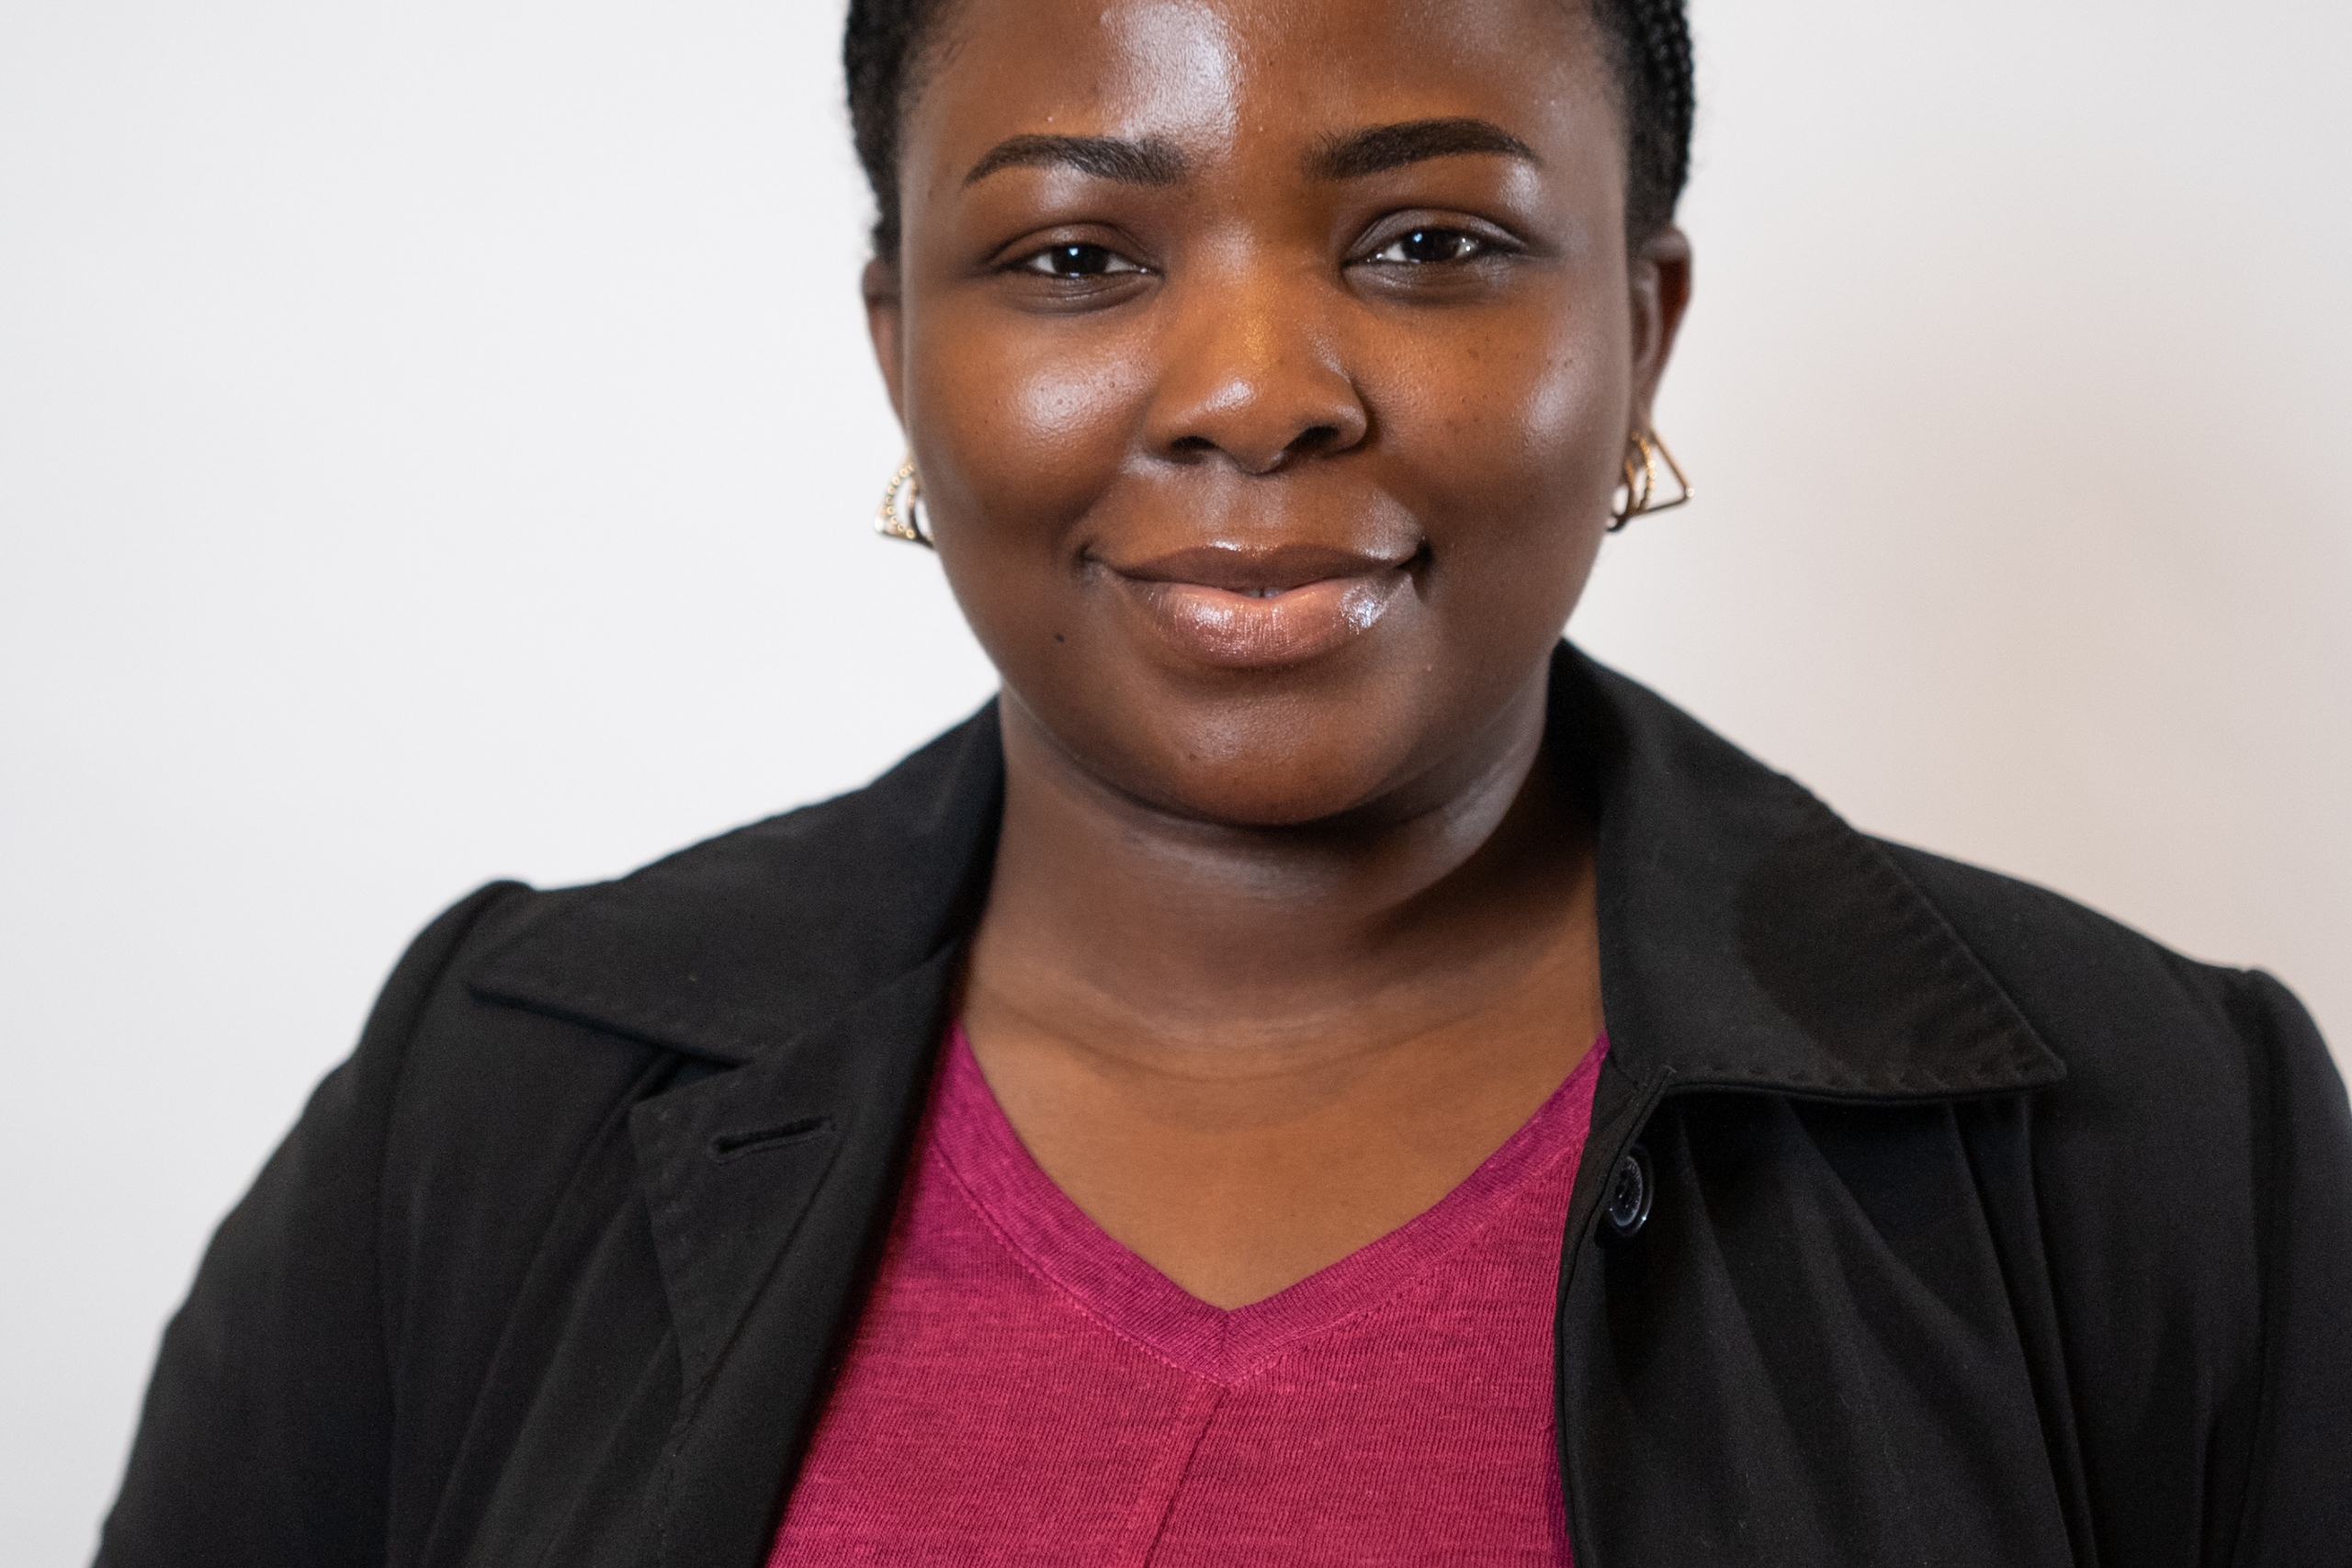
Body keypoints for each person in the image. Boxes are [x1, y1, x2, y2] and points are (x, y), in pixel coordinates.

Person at [97, 0, 2350, 1563]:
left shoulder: (2153, 1137)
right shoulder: (499, 1087)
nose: (1255, 394)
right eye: (1075, 255)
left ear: (1639, 326)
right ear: (900, 345)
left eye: (1428, 242)